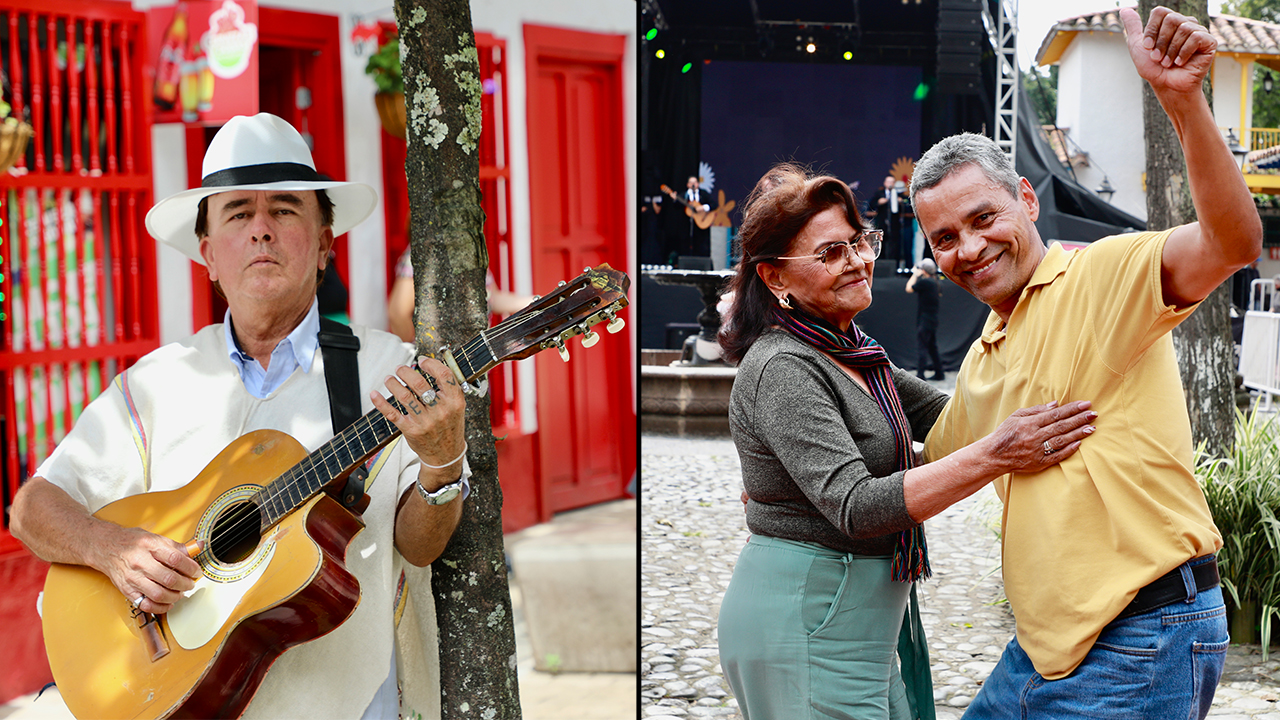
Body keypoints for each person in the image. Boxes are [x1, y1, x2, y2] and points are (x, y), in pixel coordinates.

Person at [10, 113, 470, 720]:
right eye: (237, 213)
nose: (261, 230)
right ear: (207, 255)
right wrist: (111, 548)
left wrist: (443, 464)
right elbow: (31, 508)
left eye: (284, 209)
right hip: (185, 697)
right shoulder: (156, 383)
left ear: (324, 244)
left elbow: (418, 545)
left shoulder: (391, 372)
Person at [908, 8, 1261, 718]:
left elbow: (1232, 243)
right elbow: (931, 462)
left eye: (983, 218)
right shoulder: (984, 353)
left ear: (1027, 199)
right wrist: (793, 476)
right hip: (1044, 648)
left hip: (1142, 635)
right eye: (944, 238)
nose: (968, 249)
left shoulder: (1099, 276)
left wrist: (1183, 104)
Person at [715, 162, 1097, 720]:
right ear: (775, 278)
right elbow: (856, 505)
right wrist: (997, 454)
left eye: (858, 242)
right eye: (831, 253)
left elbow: (955, 419)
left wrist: (1047, 332)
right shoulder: (782, 367)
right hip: (806, 622)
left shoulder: (855, 354)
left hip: (858, 623)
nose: (857, 261)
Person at [387, 246, 532, 343]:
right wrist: (417, 356)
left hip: (473, 364)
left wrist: (532, 302)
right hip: (438, 369)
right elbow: (397, 313)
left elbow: (491, 298)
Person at [904, 258, 944, 380]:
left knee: (923, 347)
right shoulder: (936, 282)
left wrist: (915, 275)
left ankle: (920, 375)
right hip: (932, 319)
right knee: (932, 347)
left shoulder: (926, 282)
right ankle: (939, 373)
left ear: (924, 271)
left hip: (925, 320)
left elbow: (909, 288)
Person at [867, 174, 911, 274]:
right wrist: (879, 202)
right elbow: (871, 206)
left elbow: (906, 204)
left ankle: (894, 267)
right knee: (881, 243)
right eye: (888, 182)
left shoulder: (898, 194)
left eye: (892, 182)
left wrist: (901, 202)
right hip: (882, 223)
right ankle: (880, 266)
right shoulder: (879, 193)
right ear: (885, 183)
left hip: (894, 224)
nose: (890, 184)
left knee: (894, 244)